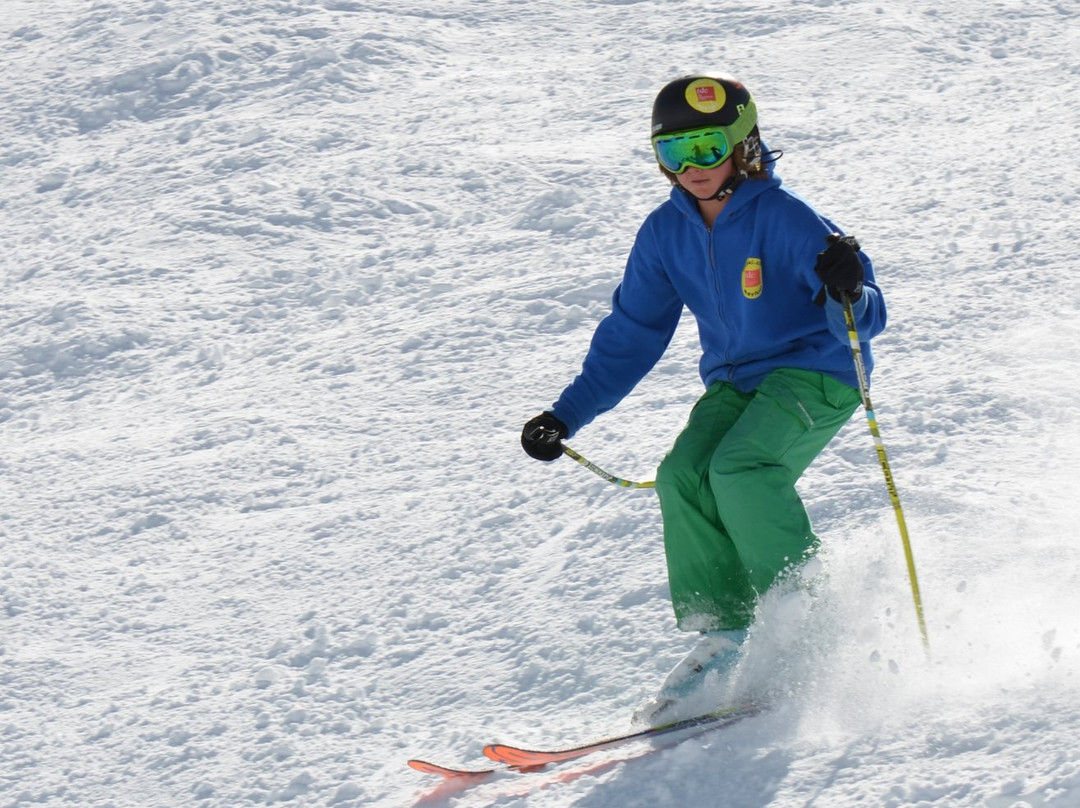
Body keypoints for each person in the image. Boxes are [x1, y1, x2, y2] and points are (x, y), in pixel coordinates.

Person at [520, 76, 887, 720]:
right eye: (674, 151)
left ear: (743, 146)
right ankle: (725, 635)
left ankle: (805, 613)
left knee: (741, 468)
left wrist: (848, 289)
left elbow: (865, 319)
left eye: (707, 147)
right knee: (683, 476)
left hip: (817, 372)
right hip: (736, 382)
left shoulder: (787, 217)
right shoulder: (666, 233)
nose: (692, 166)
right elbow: (633, 333)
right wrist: (566, 414)